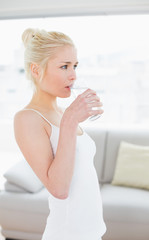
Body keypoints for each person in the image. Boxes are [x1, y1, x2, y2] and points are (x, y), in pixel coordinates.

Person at [14, 28, 107, 240]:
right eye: (64, 66)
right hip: (66, 234)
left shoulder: (64, 112)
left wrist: (70, 118)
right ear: (36, 70)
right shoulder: (27, 118)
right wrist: (71, 121)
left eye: (74, 66)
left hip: (92, 232)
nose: (73, 75)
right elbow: (58, 189)